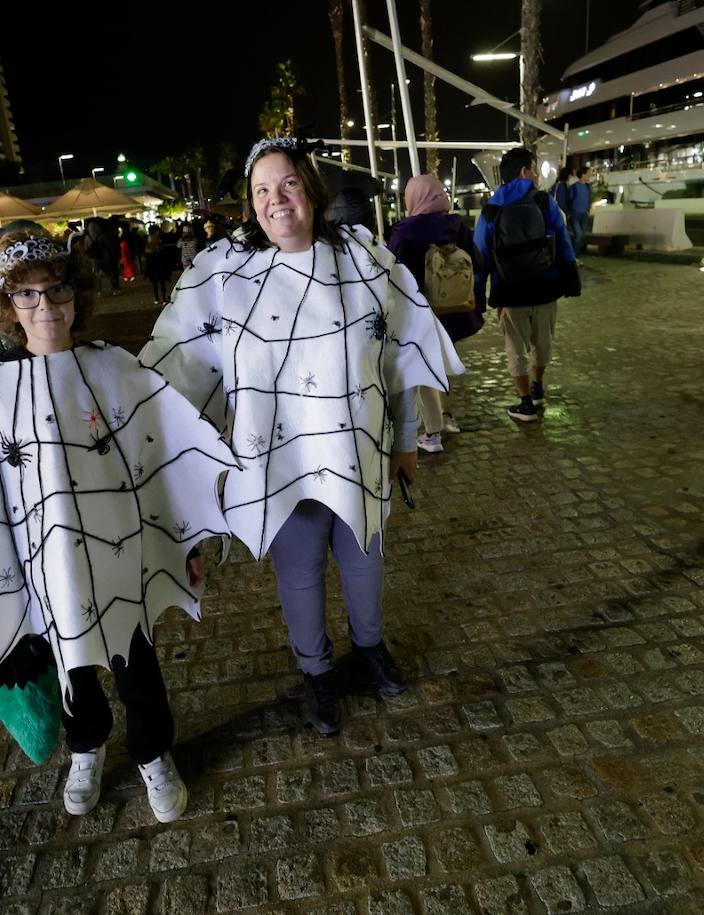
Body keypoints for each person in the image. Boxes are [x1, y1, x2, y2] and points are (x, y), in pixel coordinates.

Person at [141, 137, 464, 736]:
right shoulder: (222, 275)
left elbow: (396, 357)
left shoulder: (366, 263)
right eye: (261, 190)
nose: (276, 200)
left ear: (310, 192)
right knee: (299, 570)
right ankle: (316, 671)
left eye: (287, 184)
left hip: (357, 449)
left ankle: (370, 647)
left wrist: (404, 439)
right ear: (251, 203)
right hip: (275, 461)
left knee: (365, 557)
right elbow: (177, 366)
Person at [0, 232, 237, 823]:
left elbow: (162, 459)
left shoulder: (116, 370)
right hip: (44, 559)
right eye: (28, 296)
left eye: (57, 289)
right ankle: (86, 748)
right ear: (8, 308)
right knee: (70, 658)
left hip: (126, 552)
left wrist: (186, 541)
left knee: (135, 660)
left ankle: (152, 752)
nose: (46, 306)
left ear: (76, 292)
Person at [473, 146, 582, 423]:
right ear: (524, 171)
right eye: (533, 169)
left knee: (515, 347)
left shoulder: (490, 209)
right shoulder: (545, 202)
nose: (536, 175)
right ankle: (538, 387)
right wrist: (570, 276)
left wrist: (478, 290)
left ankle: (524, 404)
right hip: (546, 286)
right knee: (542, 343)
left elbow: (481, 255)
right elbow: (563, 240)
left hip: (509, 289)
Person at [387, 174, 483, 453]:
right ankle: (446, 417)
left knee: (423, 368)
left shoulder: (405, 231)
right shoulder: (457, 225)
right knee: (441, 362)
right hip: (455, 310)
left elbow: (393, 273)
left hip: (421, 312)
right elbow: (477, 261)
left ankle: (433, 434)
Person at [569, 166, 594, 256]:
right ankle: (574, 254)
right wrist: (570, 212)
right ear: (583, 175)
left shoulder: (588, 187)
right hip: (575, 214)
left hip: (584, 214)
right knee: (578, 235)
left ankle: (577, 254)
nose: (589, 175)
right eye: (588, 173)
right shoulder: (574, 187)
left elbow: (589, 199)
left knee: (581, 235)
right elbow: (570, 200)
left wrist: (588, 209)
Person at [144, 225, 170, 305]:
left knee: (155, 283)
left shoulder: (149, 241)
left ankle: (157, 298)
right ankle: (163, 299)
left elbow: (147, 257)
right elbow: (163, 254)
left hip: (153, 265)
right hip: (159, 265)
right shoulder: (158, 241)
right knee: (161, 283)